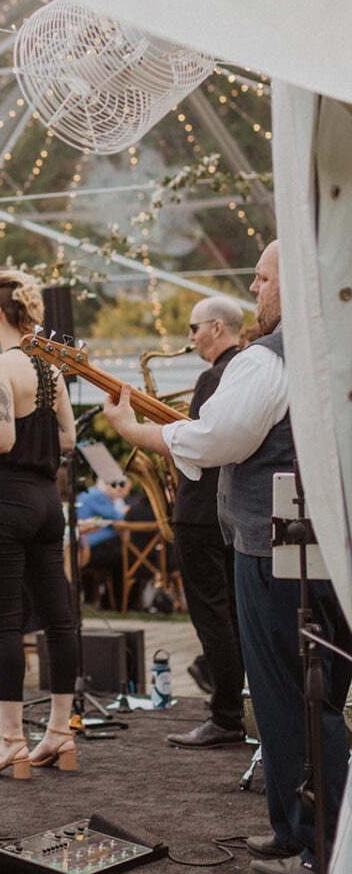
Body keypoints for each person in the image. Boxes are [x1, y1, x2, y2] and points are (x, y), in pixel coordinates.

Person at [105, 241, 352, 874]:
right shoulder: (334, 346)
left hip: (276, 551)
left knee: (291, 695)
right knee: (300, 694)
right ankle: (289, 827)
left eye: (263, 278)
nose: (255, 289)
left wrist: (136, 433)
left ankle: (315, 846)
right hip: (321, 544)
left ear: (292, 284)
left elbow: (218, 439)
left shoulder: (265, 360)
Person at [0, 270, 78, 775]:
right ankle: (57, 734)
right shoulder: (51, 369)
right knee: (59, 618)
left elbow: (1, 439)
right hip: (48, 503)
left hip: (4, 502)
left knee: (4, 623)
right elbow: (68, 439)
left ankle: (10, 740)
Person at [165, 295, 247, 749]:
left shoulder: (212, 376)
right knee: (232, 613)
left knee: (211, 616)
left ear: (217, 328)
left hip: (199, 513)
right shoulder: (244, 372)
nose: (191, 337)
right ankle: (235, 708)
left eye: (195, 328)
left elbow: (194, 444)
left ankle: (225, 715)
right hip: (227, 511)